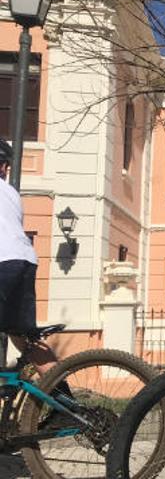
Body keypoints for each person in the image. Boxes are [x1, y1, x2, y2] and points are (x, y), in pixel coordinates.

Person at [0, 138, 63, 378]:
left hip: (4, 262)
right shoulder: (11, 194)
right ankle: (65, 402)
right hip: (24, 260)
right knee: (23, 336)